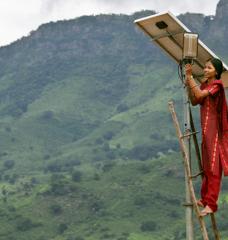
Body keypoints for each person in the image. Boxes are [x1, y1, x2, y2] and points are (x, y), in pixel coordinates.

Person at [185, 58, 228, 216]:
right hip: (206, 130)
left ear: (216, 71)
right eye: (205, 67)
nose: (205, 70)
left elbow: (200, 94)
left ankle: (211, 204)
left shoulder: (217, 85)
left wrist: (190, 78)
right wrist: (189, 83)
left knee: (214, 168)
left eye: (209, 68)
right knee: (207, 167)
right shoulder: (204, 85)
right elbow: (195, 100)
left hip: (215, 131)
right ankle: (205, 199)